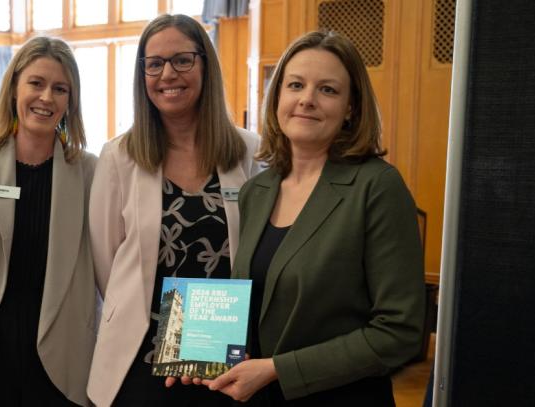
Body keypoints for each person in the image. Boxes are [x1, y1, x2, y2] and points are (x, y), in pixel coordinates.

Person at [202, 31, 425, 405]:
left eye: (328, 90)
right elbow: (255, 305)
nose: (306, 99)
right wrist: (201, 357)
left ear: (351, 107)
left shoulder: (377, 187)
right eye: (295, 85)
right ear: (278, 98)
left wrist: (277, 369)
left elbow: (399, 332)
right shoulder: (258, 190)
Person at [86, 14, 261, 407]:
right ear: (142, 74)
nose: (168, 73)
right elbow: (106, 263)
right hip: (139, 354)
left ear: (205, 65)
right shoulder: (118, 157)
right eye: (154, 63)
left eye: (182, 60)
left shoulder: (248, 151)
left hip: (223, 355)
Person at [0, 36, 97, 406]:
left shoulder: (93, 174)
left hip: (62, 354)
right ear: (14, 88)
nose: (47, 98)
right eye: (36, 83)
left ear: (70, 101)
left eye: (60, 89)